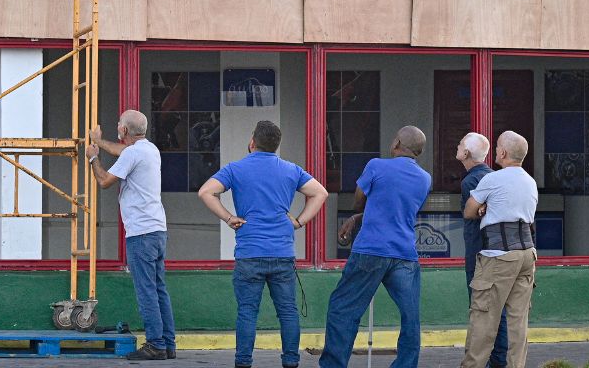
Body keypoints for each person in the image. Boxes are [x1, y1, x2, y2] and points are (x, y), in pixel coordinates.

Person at [197, 121, 328, 368]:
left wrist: (228, 217)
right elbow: (320, 193)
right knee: (288, 311)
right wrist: (298, 222)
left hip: (249, 253)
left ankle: (243, 362)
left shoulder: (235, 169)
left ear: (252, 142)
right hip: (282, 252)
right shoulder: (291, 170)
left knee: (247, 311)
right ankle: (290, 361)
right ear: (276, 146)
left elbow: (206, 192)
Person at [319, 125, 431, 368]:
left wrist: (356, 214)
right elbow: (397, 209)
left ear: (397, 143)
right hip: (404, 254)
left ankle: (333, 365)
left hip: (370, 250)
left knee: (343, 309)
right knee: (410, 316)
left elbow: (359, 199)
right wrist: (359, 218)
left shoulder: (376, 166)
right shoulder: (425, 178)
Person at [87, 110, 176, 361]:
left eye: (119, 126)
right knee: (159, 289)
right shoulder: (149, 150)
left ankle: (156, 345)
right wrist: (101, 142)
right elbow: (121, 152)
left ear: (124, 130)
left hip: (141, 233)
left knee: (146, 290)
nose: (118, 127)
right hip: (158, 230)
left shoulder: (134, 153)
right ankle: (168, 344)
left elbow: (104, 181)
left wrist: (93, 157)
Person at [460, 131, 539, 368]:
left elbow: (469, 212)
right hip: (527, 255)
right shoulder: (530, 181)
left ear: (503, 153)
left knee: (483, 319)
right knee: (518, 322)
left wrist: (484, 207)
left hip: (498, 255)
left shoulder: (492, 180)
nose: (495, 151)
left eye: (497, 147)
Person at [457, 132, 508, 368]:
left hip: (479, 251)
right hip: (499, 250)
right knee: (499, 309)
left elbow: (474, 214)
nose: (457, 147)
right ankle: (499, 360)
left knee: (480, 310)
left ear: (466, 153)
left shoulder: (470, 182)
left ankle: (488, 361)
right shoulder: (496, 176)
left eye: (460, 145)